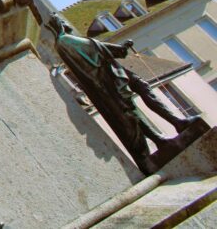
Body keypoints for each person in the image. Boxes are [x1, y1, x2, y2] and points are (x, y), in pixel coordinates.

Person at [45, 15, 199, 173]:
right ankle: (166, 133)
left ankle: (173, 126)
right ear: (58, 26)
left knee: (136, 99)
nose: (66, 23)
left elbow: (97, 48)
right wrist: (121, 48)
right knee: (131, 108)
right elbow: (97, 48)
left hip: (110, 73)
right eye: (62, 22)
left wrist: (119, 49)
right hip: (106, 77)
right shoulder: (65, 40)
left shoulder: (64, 42)